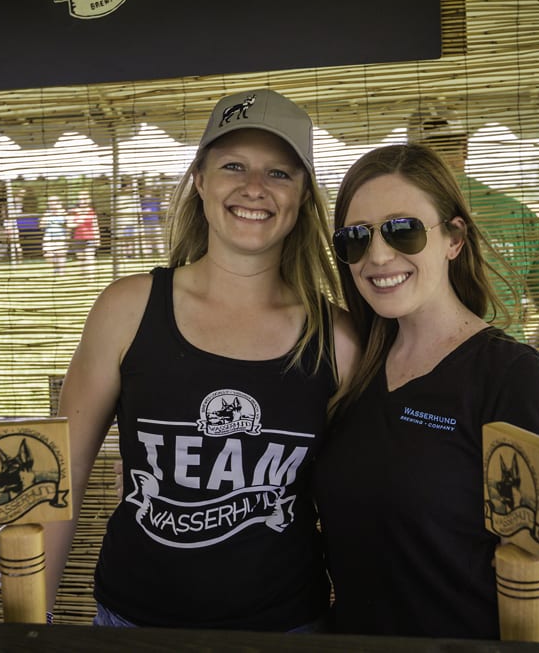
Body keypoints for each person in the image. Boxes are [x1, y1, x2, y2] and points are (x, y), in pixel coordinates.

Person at [43, 89, 356, 631]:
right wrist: (31, 620)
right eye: (233, 166)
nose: (254, 187)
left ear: (304, 196)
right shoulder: (127, 309)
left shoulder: (339, 339)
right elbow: (58, 475)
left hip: (285, 632)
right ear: (200, 180)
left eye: (279, 173)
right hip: (132, 626)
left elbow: (363, 499)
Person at [315, 143, 539, 639]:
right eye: (356, 237)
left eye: (403, 230)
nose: (377, 256)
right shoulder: (355, 368)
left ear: (454, 238)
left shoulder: (511, 379)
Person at [407, 105, 539, 353]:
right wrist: (526, 360)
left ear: (411, 156)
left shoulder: (400, 219)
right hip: (506, 361)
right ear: (465, 145)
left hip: (425, 363)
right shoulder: (518, 215)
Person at [68, 193, 99, 268]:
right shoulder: (74, 212)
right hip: (78, 238)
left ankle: (91, 275)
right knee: (81, 260)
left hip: (90, 238)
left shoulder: (92, 212)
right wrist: (77, 223)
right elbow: (69, 225)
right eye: (81, 199)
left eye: (85, 199)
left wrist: (98, 238)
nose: (83, 201)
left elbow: (95, 226)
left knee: (90, 257)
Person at [41, 196, 69, 274]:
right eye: (49, 202)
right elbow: (41, 226)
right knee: (48, 255)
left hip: (60, 236)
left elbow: (68, 225)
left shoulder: (63, 212)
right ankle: (56, 267)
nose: (51, 203)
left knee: (61, 254)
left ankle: (61, 272)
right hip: (49, 236)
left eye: (53, 201)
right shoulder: (47, 213)